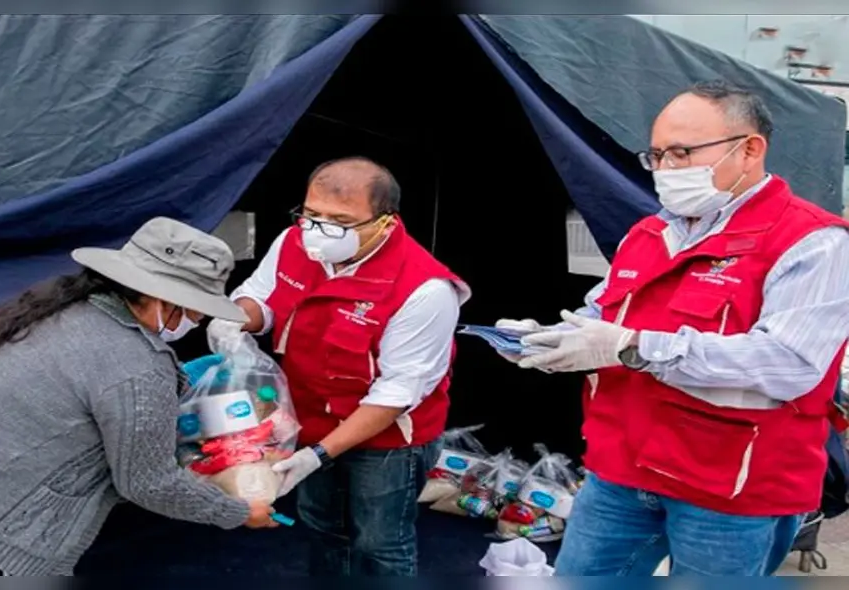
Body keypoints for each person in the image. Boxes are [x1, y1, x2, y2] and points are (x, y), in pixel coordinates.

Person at [495, 80, 849, 576]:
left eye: (681, 153)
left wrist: (633, 346)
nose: (665, 169)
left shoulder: (812, 242)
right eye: (656, 155)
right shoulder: (649, 235)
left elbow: (788, 365)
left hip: (729, 489)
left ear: (750, 149)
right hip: (620, 470)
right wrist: (551, 339)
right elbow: (602, 318)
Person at [0, 217, 279, 577]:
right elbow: (148, 484)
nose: (196, 322)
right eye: (196, 312)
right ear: (167, 301)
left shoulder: (60, 308)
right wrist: (239, 512)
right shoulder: (138, 365)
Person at [206, 157, 470, 576]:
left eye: (340, 221)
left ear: (384, 222)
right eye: (312, 215)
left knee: (381, 545)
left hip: (388, 442)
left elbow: (397, 394)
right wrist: (235, 317)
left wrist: (317, 456)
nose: (318, 231)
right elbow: (261, 297)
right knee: (322, 529)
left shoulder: (424, 290)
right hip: (307, 419)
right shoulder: (294, 242)